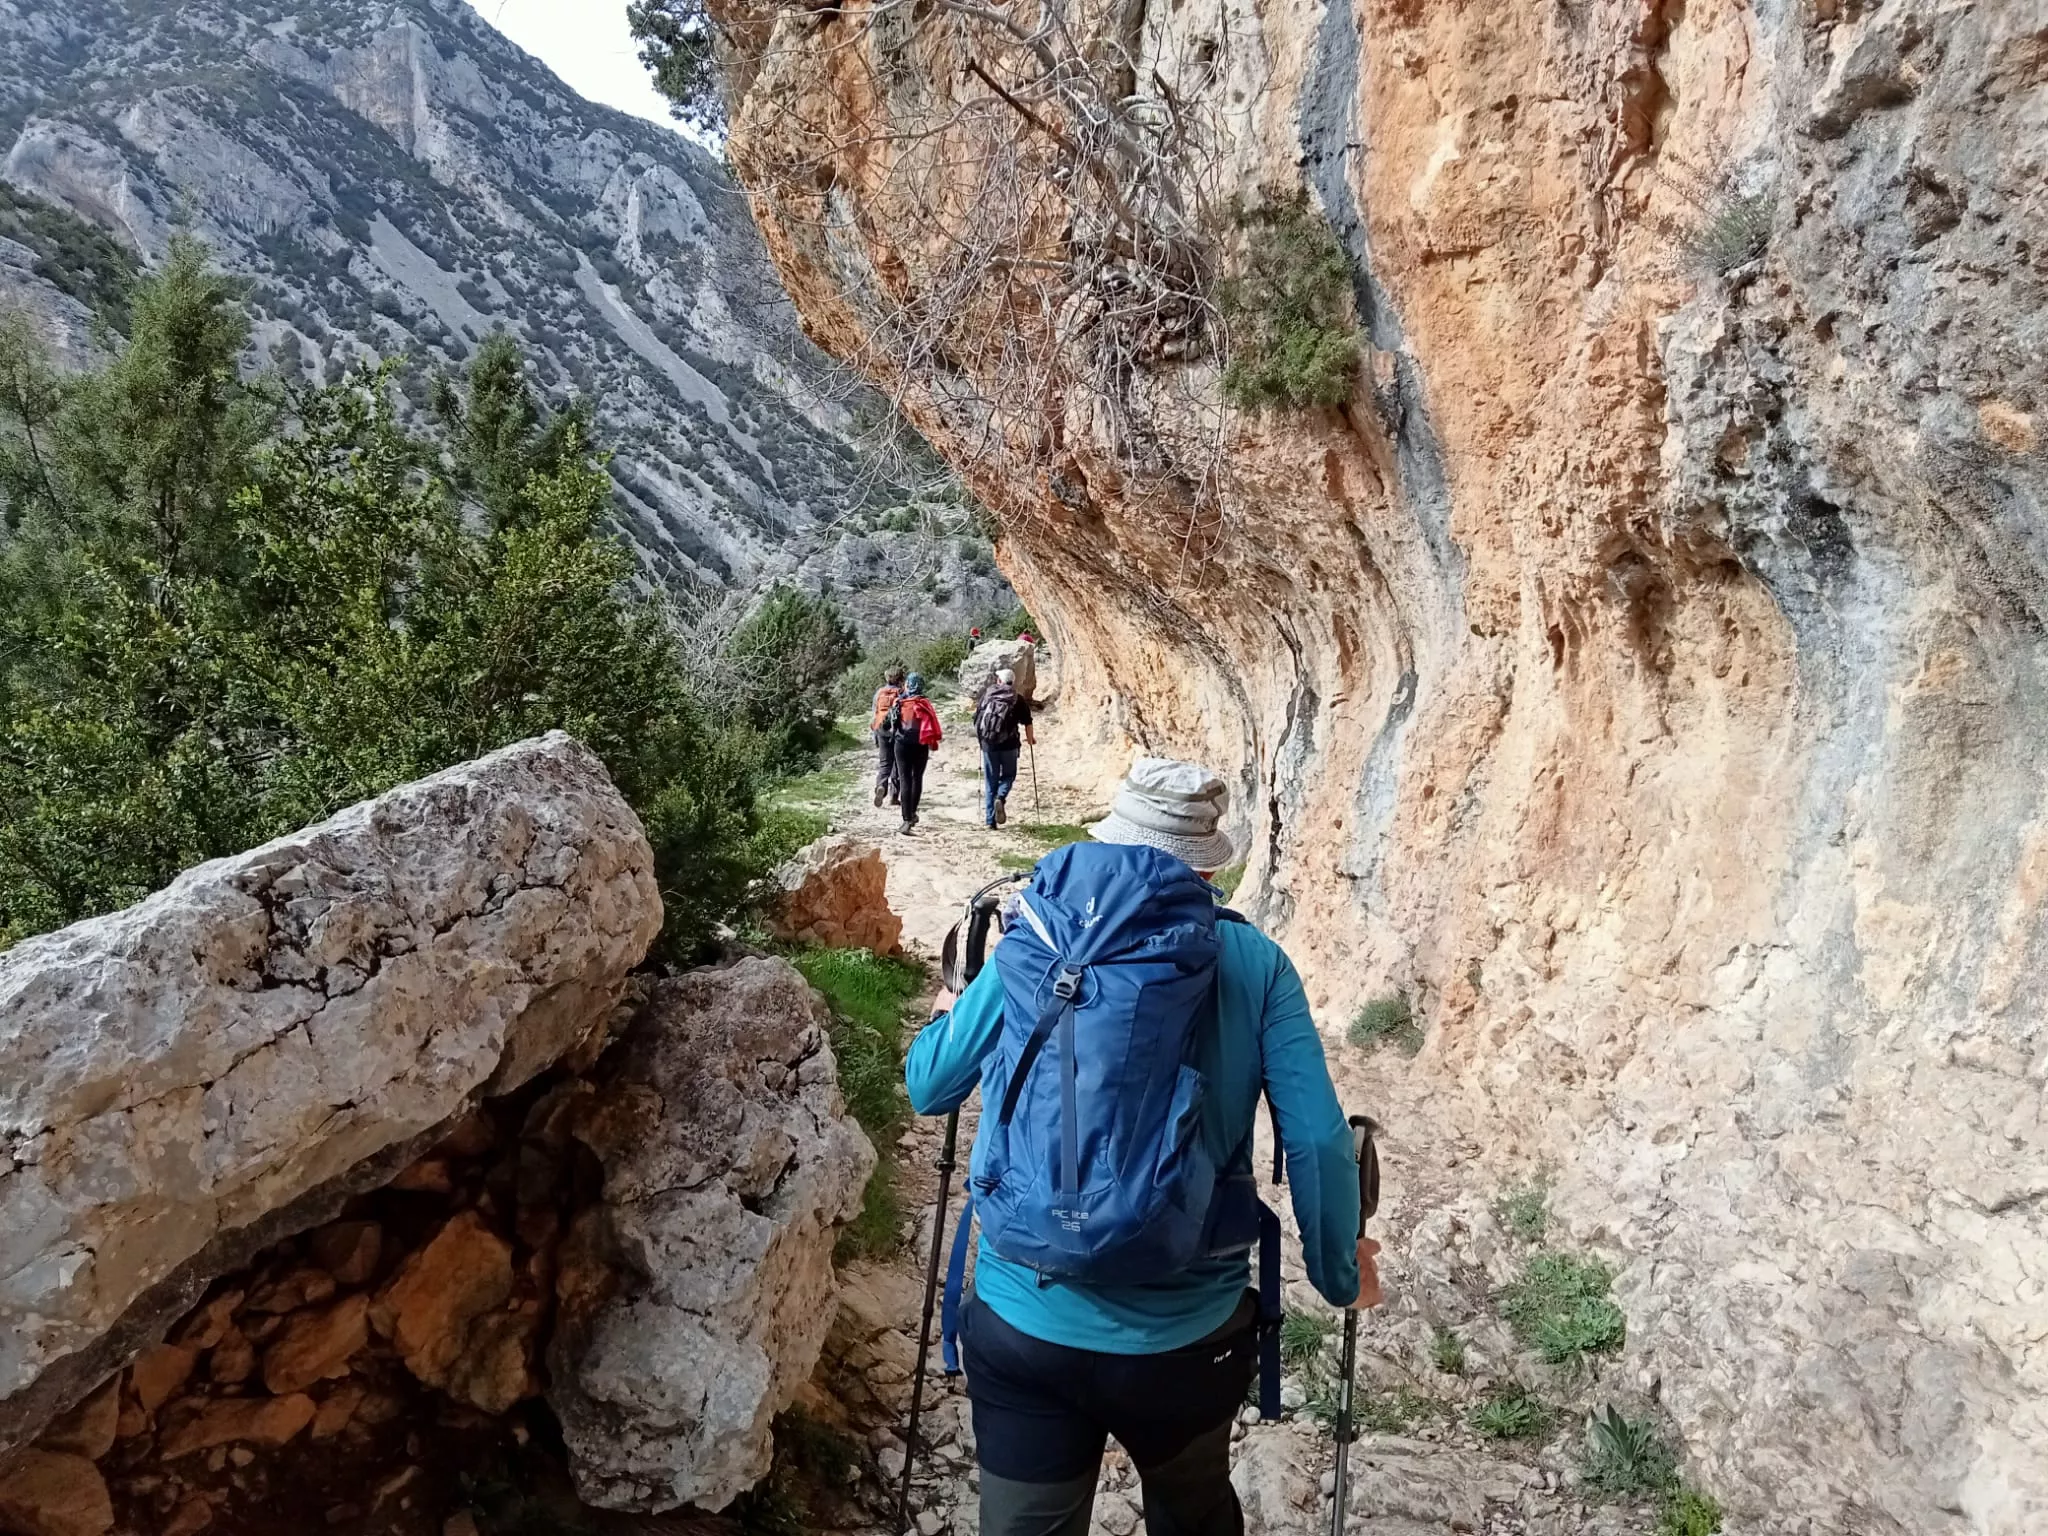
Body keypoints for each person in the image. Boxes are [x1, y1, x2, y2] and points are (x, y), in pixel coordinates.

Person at [906, 758, 1381, 1536]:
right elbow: (1321, 1142)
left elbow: (931, 1087)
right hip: (1187, 1335)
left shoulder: (1039, 941)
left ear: (1112, 840)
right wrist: (1338, 1274)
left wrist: (948, 1007)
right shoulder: (1255, 964)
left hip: (1025, 1316)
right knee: (1192, 1512)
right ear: (1204, 863)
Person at [973, 666, 1034, 828]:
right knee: (1008, 776)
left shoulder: (987, 695)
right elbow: (1028, 721)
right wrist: (1030, 739)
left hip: (988, 744)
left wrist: (981, 740)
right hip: (1010, 744)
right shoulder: (1017, 699)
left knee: (990, 781)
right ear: (1012, 682)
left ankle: (990, 821)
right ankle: (1001, 797)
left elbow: (977, 718)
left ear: (999, 681)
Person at [891, 673, 943, 834]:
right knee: (917, 778)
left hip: (901, 744)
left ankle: (906, 819)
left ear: (907, 685)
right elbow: (933, 724)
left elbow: (890, 723)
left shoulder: (899, 702)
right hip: (921, 745)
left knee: (904, 779)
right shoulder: (925, 703)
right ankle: (912, 813)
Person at [871, 665, 907, 808]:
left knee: (885, 763)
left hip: (882, 729)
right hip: (898, 731)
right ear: (900, 678)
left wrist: (875, 734)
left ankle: (881, 786)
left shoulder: (880, 692)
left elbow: (875, 714)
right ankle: (894, 796)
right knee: (898, 764)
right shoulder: (902, 693)